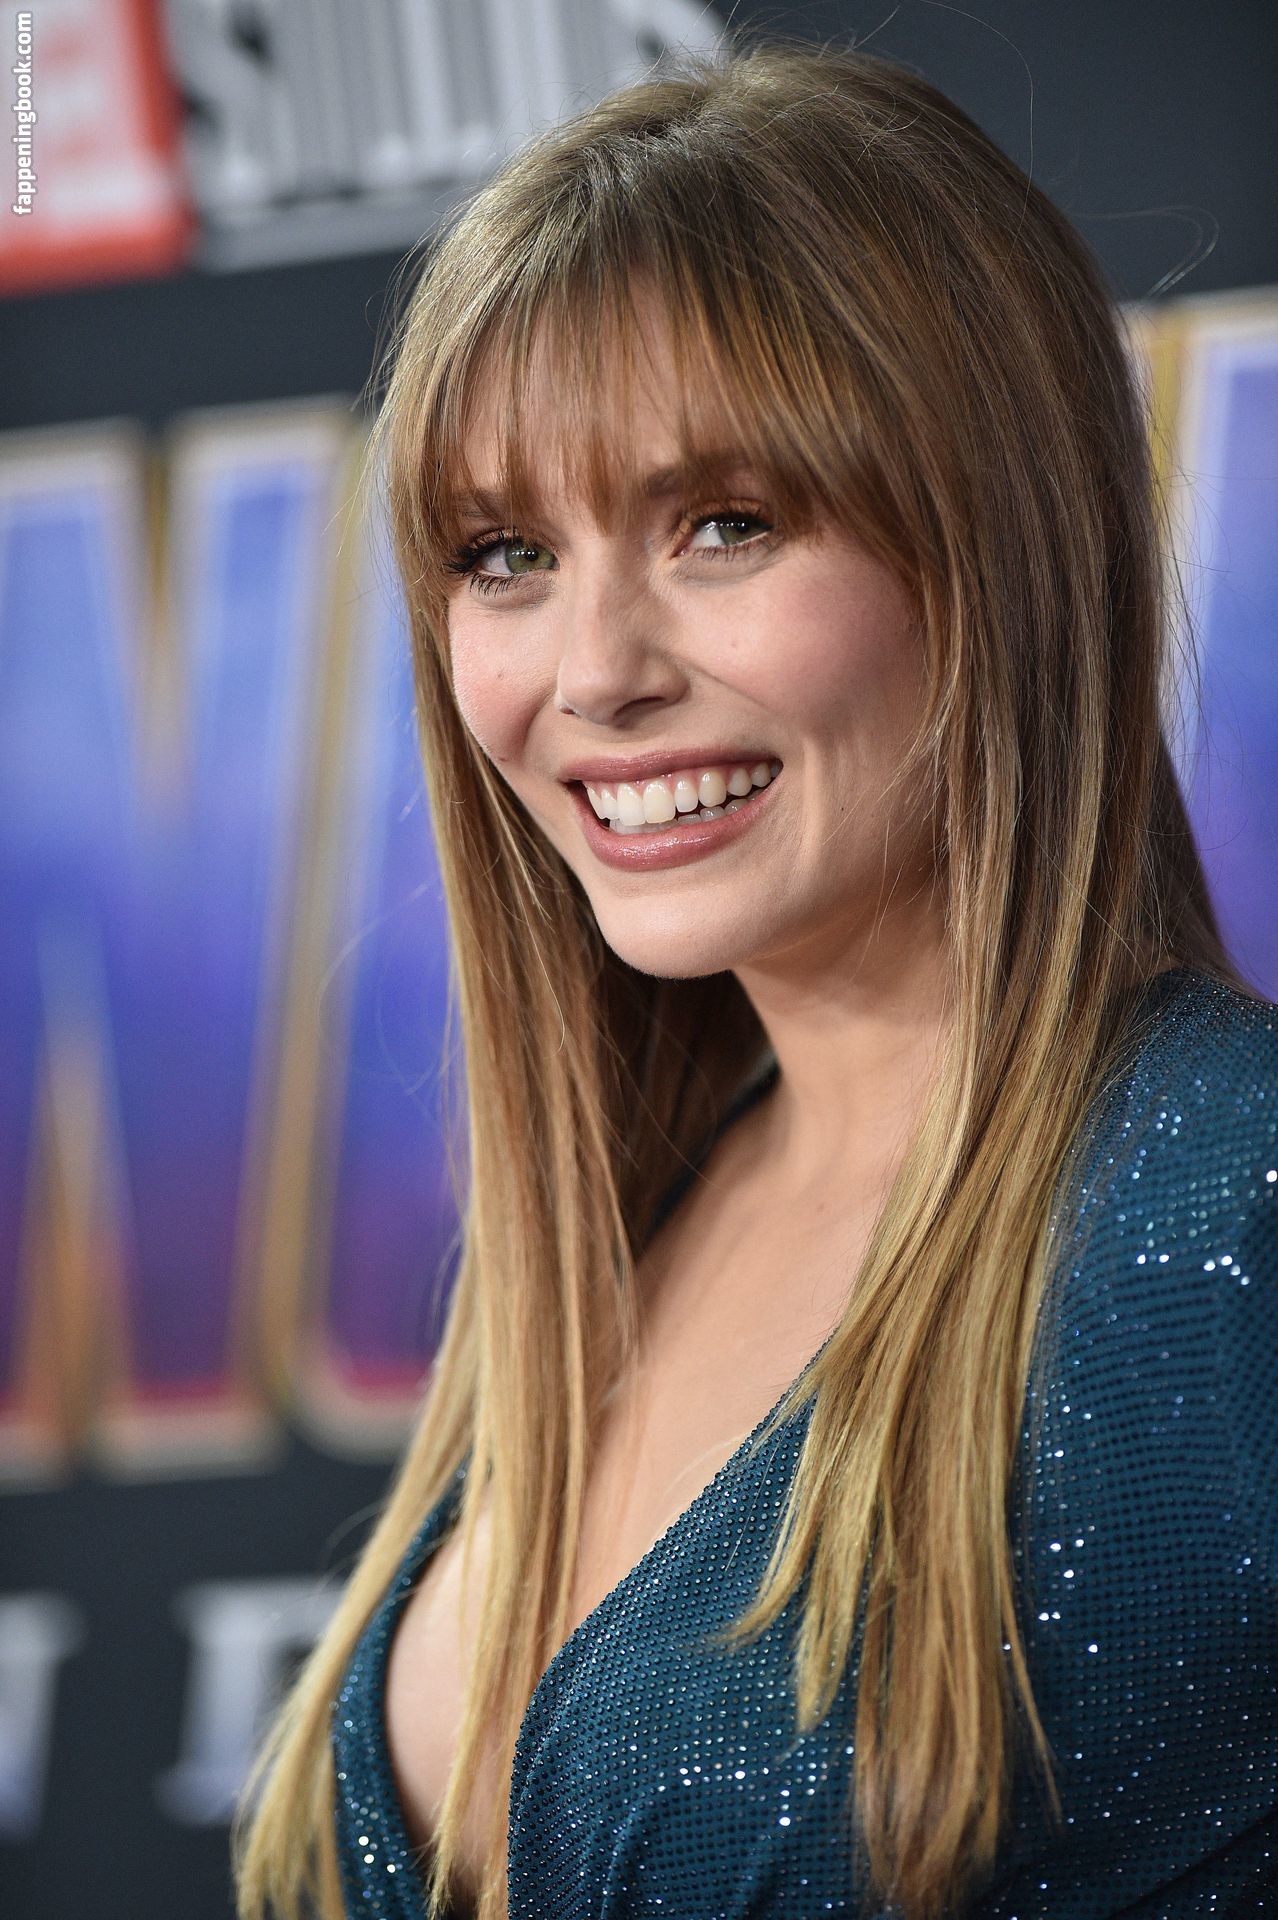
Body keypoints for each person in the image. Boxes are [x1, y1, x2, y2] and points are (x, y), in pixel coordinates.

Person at [232, 37, 1278, 1920]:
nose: (594, 671)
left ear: (998, 541)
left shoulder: (1231, 1209)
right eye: (503, 555)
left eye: (725, 523)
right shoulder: (615, 1225)